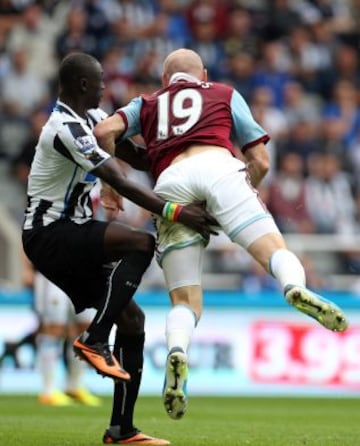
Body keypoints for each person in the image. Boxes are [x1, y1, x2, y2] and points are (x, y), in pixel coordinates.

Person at [93, 48, 349, 421]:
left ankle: (178, 351)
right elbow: (260, 160)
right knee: (273, 249)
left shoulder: (147, 102)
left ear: (166, 81)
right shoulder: (224, 93)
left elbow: (103, 131)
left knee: (185, 301)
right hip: (219, 166)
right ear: (204, 74)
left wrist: (111, 187)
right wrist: (244, 192)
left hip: (170, 182)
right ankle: (293, 285)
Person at [22, 52, 217, 445]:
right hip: (49, 233)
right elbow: (119, 179)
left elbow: (138, 157)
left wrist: (190, 169)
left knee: (134, 322)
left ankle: (121, 430)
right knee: (141, 241)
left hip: (71, 233)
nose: (103, 88)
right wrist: (176, 211)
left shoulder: (93, 122)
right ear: (82, 85)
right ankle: (95, 339)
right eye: (99, 82)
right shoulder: (63, 128)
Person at [34, 271, 101, 407]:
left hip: (84, 274)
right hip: (55, 273)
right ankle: (48, 391)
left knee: (85, 330)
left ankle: (74, 386)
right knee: (54, 329)